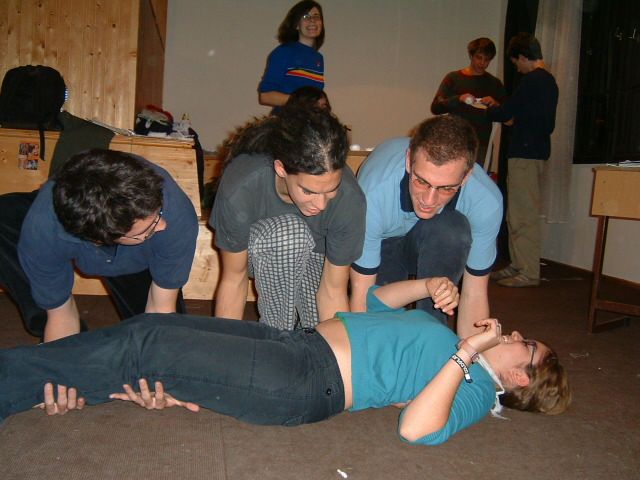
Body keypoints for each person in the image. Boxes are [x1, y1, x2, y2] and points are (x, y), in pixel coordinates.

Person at [0, 277, 571, 446]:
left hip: (304, 382)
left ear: (518, 377)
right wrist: (428, 286)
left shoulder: (476, 389)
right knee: (150, 330)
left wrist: (467, 352)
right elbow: (376, 302)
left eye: (528, 345)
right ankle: (44, 380)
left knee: (147, 350)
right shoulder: (448, 345)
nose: (518, 334)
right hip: (294, 344)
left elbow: (417, 429)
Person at [0, 149, 198, 342]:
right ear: (99, 240)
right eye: (148, 229)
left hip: (140, 255)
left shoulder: (175, 215)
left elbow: (161, 311)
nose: (162, 225)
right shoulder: (43, 232)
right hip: (67, 231)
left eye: (158, 214)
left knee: (164, 334)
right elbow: (61, 316)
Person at [209, 105, 365, 330]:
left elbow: (334, 290)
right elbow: (234, 278)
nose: (321, 205)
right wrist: (225, 345)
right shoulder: (241, 188)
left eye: (331, 190)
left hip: (316, 257)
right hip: (264, 252)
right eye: (308, 191)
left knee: (318, 334)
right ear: (281, 169)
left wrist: (336, 346)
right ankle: (277, 337)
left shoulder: (350, 200)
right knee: (289, 235)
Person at [350, 115, 503, 329]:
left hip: (435, 239)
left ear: (467, 176)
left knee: (452, 230)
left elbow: (474, 293)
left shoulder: (487, 201)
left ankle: (431, 327)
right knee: (383, 320)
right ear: (408, 161)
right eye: (421, 181)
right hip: (384, 241)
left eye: (446, 188)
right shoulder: (373, 194)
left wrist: (472, 350)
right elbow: (362, 299)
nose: (429, 201)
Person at [487, 33, 558, 288]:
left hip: (526, 155)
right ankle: (518, 264)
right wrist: (511, 117)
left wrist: (490, 109)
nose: (517, 67)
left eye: (516, 61)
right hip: (532, 153)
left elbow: (507, 111)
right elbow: (534, 118)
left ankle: (528, 271)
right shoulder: (547, 81)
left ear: (524, 57)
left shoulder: (534, 80)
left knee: (523, 214)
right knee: (517, 212)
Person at [431, 37, 506, 165]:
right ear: (471, 56)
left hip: (481, 144)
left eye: (487, 60)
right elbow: (436, 108)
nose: (482, 63)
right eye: (479, 58)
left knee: (477, 176)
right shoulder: (453, 78)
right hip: (455, 141)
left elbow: (507, 117)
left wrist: (495, 104)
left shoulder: (494, 83)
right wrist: (458, 99)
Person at [258, 1, 325, 109]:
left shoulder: (318, 58)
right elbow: (265, 96)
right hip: (287, 118)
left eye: (316, 16)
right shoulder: (284, 52)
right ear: (297, 24)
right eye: (305, 17)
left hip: (310, 118)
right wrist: (304, 103)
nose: (312, 20)